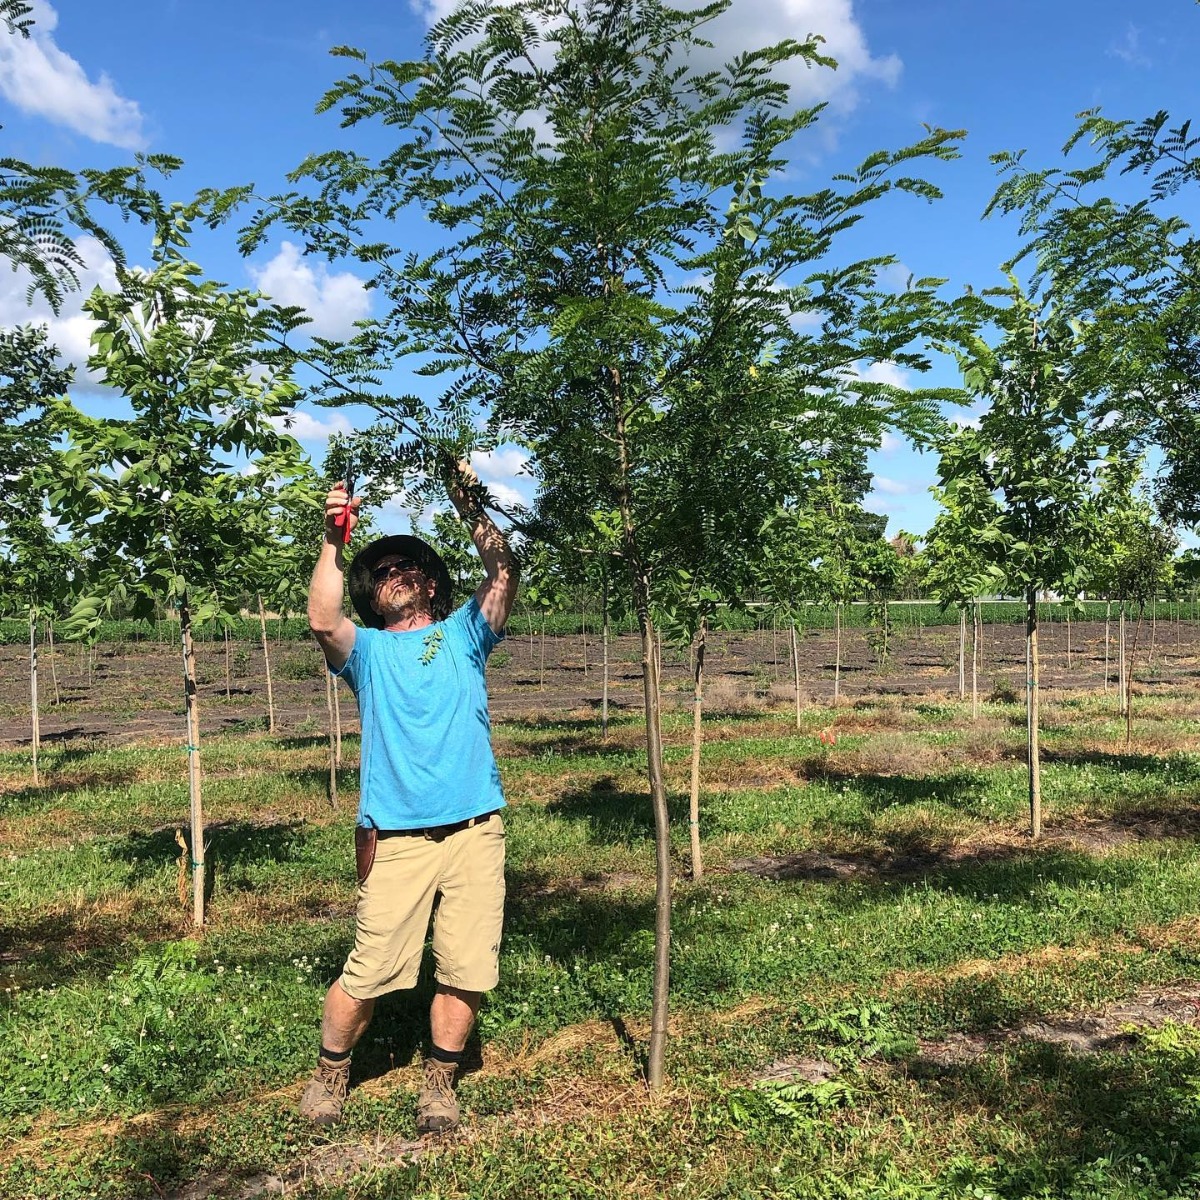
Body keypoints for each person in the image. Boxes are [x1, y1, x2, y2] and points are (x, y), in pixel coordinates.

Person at [300, 462, 519, 1133]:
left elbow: (504, 571)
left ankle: (440, 1082)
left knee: (466, 967)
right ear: (373, 590)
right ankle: (331, 1072)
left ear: (428, 582)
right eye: (384, 569)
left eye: (407, 567)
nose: (394, 573)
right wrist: (334, 539)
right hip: (394, 836)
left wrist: (468, 499)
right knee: (367, 970)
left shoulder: (464, 635)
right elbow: (320, 615)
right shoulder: (363, 651)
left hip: (475, 833)